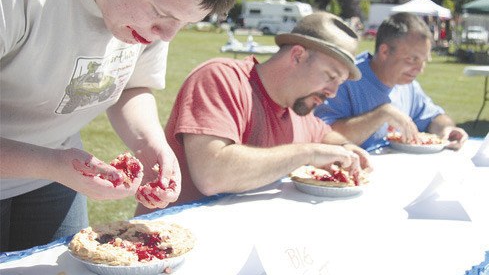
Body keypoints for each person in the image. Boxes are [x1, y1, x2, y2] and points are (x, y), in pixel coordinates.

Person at [0, 0, 242, 251]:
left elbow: (132, 84)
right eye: (164, 15)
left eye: (184, 23)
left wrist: (150, 142)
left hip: (50, 168)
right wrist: (52, 163)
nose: (166, 36)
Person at [136, 12, 371, 214]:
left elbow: (326, 138)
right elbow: (211, 174)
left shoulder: (297, 108)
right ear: (297, 56)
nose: (333, 92)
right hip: (170, 244)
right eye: (330, 77)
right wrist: (307, 153)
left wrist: (346, 149)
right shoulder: (221, 78)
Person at [314, 12, 468, 152]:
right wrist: (382, 114)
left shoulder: (408, 85)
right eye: (412, 59)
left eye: (423, 61)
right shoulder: (345, 79)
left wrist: (447, 129)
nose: (419, 69)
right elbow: (323, 134)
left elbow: (434, 117)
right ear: (384, 51)